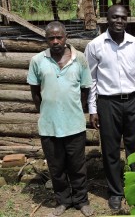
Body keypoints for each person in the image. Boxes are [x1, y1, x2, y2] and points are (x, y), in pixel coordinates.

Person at [84, 4, 135, 211]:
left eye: (122, 18)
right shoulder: (95, 46)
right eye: (114, 18)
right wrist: (93, 109)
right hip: (107, 102)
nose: (118, 21)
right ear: (107, 19)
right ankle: (115, 193)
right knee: (111, 150)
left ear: (127, 20)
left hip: (133, 101)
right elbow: (91, 80)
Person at [27, 21, 94, 217]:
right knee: (56, 167)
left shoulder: (79, 59)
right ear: (46, 39)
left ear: (66, 37)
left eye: (59, 37)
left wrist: (74, 110)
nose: (55, 41)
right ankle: (62, 201)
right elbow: (35, 92)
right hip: (49, 126)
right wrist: (48, 111)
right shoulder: (37, 61)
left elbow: (85, 89)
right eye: (51, 38)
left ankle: (81, 201)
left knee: (78, 166)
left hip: (74, 124)